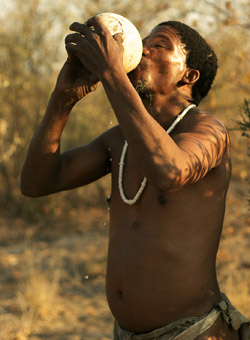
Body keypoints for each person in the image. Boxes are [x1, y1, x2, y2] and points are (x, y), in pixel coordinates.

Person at [21, 16, 249, 340]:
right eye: (145, 43)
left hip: (194, 333)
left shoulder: (208, 129)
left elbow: (170, 171)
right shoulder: (120, 140)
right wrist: (62, 97)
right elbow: (36, 183)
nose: (144, 50)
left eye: (160, 46)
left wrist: (112, 74)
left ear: (189, 75)